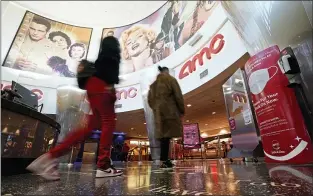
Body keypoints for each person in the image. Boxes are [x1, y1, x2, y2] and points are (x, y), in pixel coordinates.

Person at [26, 36, 122, 180]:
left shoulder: (99, 60)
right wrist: (111, 86)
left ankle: (49, 157)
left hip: (92, 89)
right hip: (103, 89)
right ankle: (103, 166)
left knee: (88, 129)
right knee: (108, 125)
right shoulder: (112, 56)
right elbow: (111, 75)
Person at [148, 66, 185, 169]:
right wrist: (182, 110)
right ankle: (164, 160)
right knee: (167, 136)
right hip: (170, 112)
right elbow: (178, 96)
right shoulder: (171, 80)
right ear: (166, 72)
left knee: (164, 137)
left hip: (159, 115)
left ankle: (164, 159)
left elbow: (150, 101)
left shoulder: (153, 86)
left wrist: (156, 109)